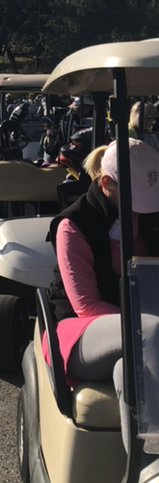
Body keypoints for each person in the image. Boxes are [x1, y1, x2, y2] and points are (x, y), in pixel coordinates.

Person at [45, 138, 159, 450]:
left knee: (128, 371)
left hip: (140, 331)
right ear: (106, 183)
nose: (143, 207)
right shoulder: (73, 225)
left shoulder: (146, 218)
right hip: (81, 330)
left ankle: (145, 461)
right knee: (150, 330)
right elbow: (87, 305)